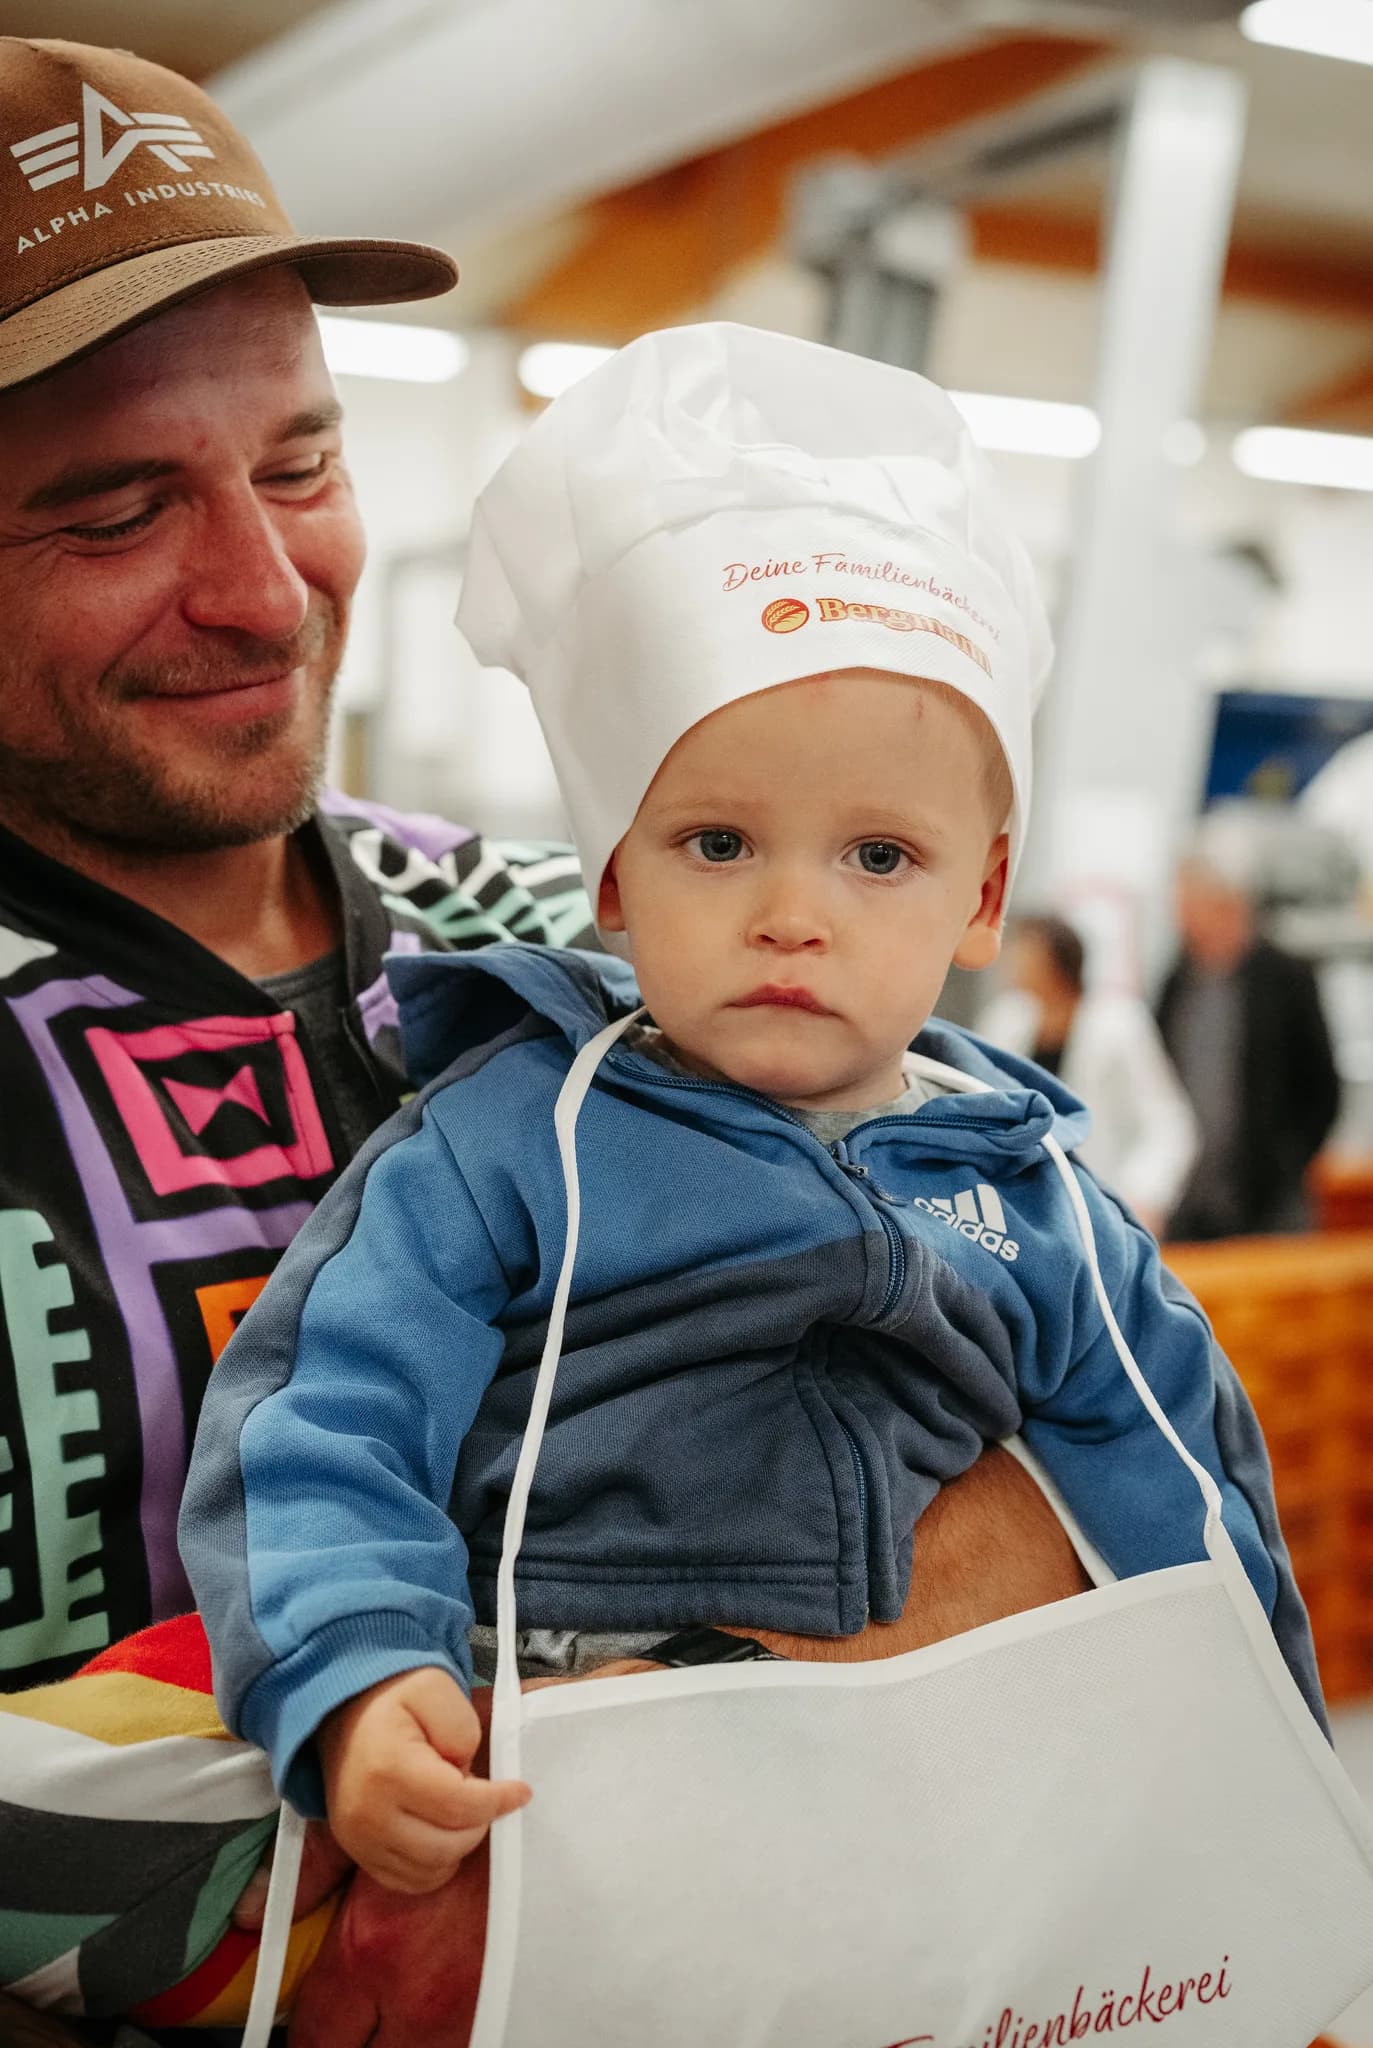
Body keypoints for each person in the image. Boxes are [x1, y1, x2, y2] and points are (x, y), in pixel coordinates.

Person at [0, 40, 1125, 2045]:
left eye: (299, 464)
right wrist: (310, 1894)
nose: (265, 591)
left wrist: (602, 1797)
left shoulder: (576, 923)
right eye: (109, 512)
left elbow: (1066, 1440)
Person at [178, 326, 1319, 1923]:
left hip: (941, 1781)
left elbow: (1177, 1474)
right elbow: (322, 1419)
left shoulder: (1031, 1193)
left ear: (983, 897)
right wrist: (358, 1677)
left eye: (877, 858)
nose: (794, 915)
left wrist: (1246, 1745)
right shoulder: (505, 1142)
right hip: (553, 1743)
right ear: (616, 877)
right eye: (718, 842)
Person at [1158, 838, 1340, 1238]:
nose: (1180, 915)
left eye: (1189, 903)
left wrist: (1287, 1161)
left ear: (1226, 904)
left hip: (1268, 1200)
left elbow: (1323, 1087)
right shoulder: (1178, 981)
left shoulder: (1286, 978)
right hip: (1190, 1196)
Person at [978, 913, 1197, 1236]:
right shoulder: (1006, 1022)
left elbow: (1168, 1125)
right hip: (1018, 1212)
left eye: (1025, 948)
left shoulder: (1118, 1025)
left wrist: (1145, 1197)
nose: (1012, 959)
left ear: (1055, 959)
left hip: (1102, 1207)